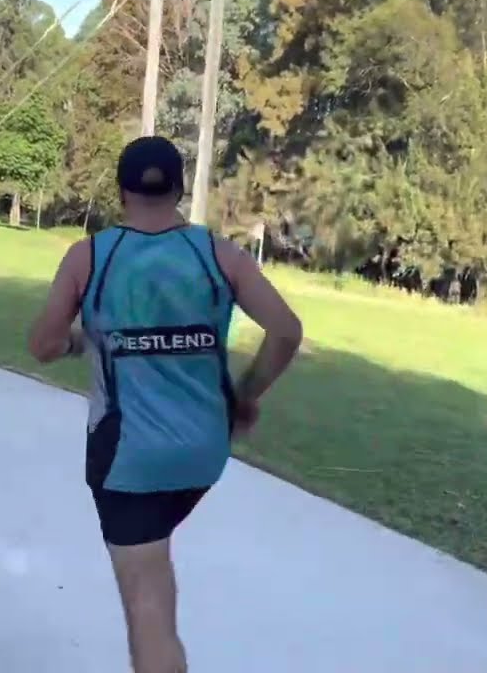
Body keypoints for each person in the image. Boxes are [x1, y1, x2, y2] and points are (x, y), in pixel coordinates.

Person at [27, 136, 303, 673]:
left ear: (121, 191)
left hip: (129, 459)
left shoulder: (91, 255)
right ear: (178, 189)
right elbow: (287, 332)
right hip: (203, 453)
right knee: (155, 570)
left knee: (147, 612)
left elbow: (42, 345)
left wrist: (80, 338)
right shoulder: (219, 253)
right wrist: (244, 396)